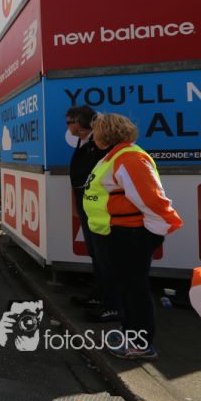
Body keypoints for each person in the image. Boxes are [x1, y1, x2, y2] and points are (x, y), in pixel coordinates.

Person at [83, 113, 182, 360]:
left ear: (107, 133)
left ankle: (140, 343)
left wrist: (150, 237)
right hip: (116, 234)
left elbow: (154, 202)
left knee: (134, 289)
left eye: (96, 131)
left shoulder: (129, 158)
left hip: (129, 235)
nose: (93, 136)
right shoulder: (115, 156)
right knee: (127, 288)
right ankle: (130, 332)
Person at [64, 106, 114, 320]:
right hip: (89, 206)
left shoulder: (99, 144)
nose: (67, 127)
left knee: (105, 255)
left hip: (100, 208)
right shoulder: (85, 141)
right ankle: (100, 295)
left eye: (69, 122)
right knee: (95, 252)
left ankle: (111, 304)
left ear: (79, 124)